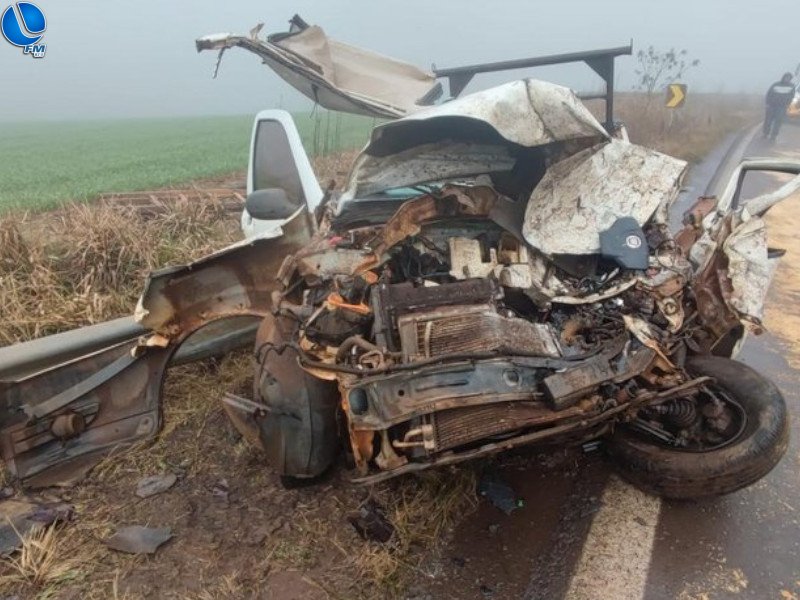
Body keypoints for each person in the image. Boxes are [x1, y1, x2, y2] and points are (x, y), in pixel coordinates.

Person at [764, 72, 796, 141]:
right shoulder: (775, 84)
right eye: (786, 77)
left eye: (789, 78)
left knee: (778, 121)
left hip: (782, 107)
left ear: (790, 79)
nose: (787, 79)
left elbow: (792, 96)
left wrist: (788, 104)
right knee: (768, 120)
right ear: (783, 77)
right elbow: (769, 94)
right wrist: (767, 103)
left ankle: (773, 136)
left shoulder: (791, 86)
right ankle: (765, 133)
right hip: (772, 105)